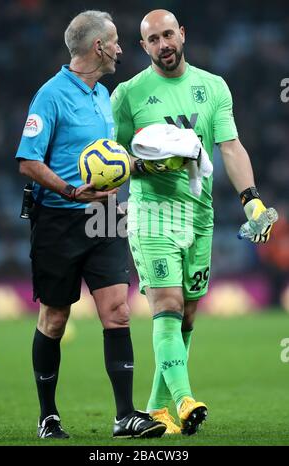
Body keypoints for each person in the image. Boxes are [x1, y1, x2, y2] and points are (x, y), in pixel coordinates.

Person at [111, 9, 275, 435]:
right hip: (151, 215)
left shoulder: (213, 86)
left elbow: (231, 146)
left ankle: (157, 409)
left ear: (181, 34)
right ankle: (185, 400)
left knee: (185, 316)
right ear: (143, 46)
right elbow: (111, 159)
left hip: (199, 216)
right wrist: (147, 165)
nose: (163, 44)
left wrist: (251, 201)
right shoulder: (127, 95)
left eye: (169, 35)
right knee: (165, 306)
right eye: (153, 39)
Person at [16, 10, 166, 440]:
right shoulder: (50, 95)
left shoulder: (104, 94)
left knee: (118, 312)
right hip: (59, 220)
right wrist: (69, 191)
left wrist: (147, 165)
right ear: (98, 46)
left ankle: (125, 416)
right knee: (56, 318)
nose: (121, 48)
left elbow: (111, 160)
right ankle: (48, 416)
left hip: (104, 217)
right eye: (116, 41)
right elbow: (28, 160)